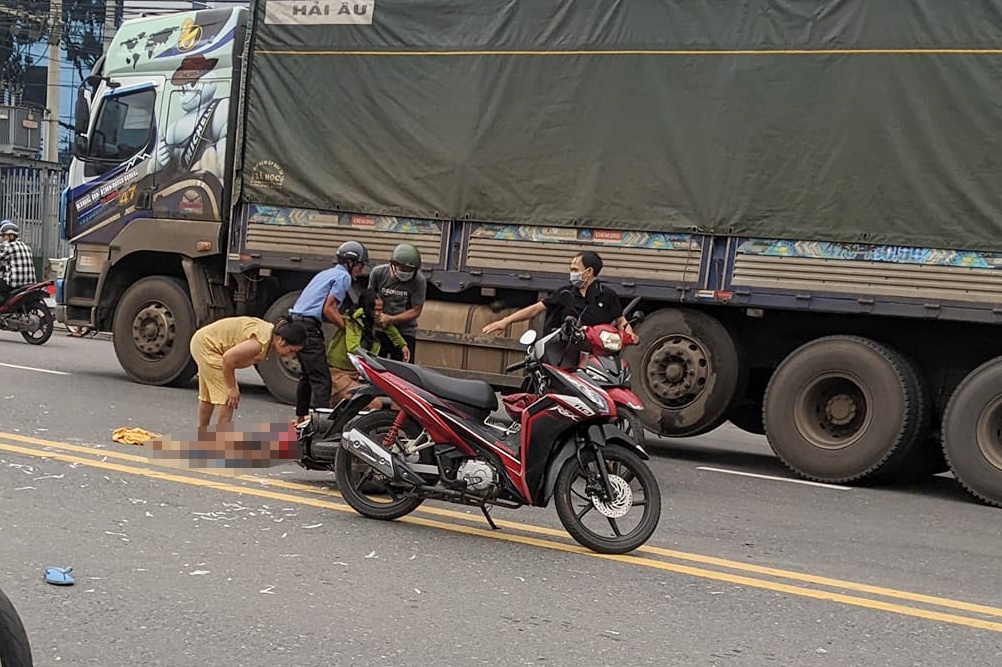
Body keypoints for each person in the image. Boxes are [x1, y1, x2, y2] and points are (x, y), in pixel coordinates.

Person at [289, 240, 369, 424]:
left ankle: (300, 417)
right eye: (360, 265)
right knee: (322, 380)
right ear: (350, 263)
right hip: (309, 327)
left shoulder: (326, 273)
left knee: (307, 375)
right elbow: (329, 308)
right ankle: (321, 426)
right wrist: (348, 329)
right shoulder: (344, 277)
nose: (361, 270)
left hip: (297, 323)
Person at [482, 251, 637, 340]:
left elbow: (621, 320)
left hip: (597, 353)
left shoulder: (608, 295)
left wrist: (630, 335)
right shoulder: (565, 293)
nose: (572, 273)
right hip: (567, 351)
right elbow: (536, 309)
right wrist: (506, 321)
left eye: (575, 270)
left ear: (589, 272)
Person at [189, 317, 307, 428]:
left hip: (202, 341)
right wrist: (231, 388)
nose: (290, 355)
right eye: (291, 350)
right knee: (228, 399)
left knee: (208, 396)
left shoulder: (268, 331)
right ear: (282, 341)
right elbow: (228, 359)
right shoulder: (258, 344)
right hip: (209, 347)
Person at [326, 289, 410, 406]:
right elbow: (353, 347)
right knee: (374, 404)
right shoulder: (354, 322)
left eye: (380, 310)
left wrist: (402, 345)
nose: (378, 314)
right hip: (338, 376)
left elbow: (389, 328)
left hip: (354, 374)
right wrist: (372, 360)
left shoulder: (372, 319)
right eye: (375, 310)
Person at [368, 242, 426, 362]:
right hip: (380, 330)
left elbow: (416, 310)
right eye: (402, 269)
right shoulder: (378, 274)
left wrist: (391, 319)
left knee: (404, 369)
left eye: (409, 270)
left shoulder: (418, 281)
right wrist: (377, 317)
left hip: (405, 332)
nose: (405, 273)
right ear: (393, 264)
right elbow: (369, 300)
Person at [0, 221, 37, 302]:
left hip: (15, 283)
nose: (2, 238)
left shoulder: (9, 246)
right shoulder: (26, 246)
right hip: (30, 282)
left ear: (11, 236)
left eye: (3, 235)